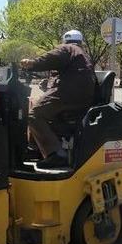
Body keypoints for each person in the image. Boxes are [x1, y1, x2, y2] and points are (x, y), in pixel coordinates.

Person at [20, 30, 96, 169]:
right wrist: (47, 83)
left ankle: (56, 154)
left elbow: (52, 58)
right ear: (81, 41)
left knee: (34, 114)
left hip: (68, 94)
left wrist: (33, 63)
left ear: (65, 41)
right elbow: (70, 74)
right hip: (80, 96)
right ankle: (37, 148)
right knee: (37, 105)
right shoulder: (81, 54)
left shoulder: (67, 48)